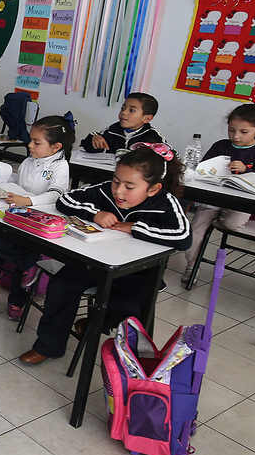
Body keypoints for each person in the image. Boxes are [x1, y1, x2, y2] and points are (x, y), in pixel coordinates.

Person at [19, 145, 191, 365]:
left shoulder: (165, 203)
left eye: (130, 186)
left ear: (153, 189)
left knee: (129, 309)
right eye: (116, 181)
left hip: (137, 274)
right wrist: (95, 213)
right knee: (60, 287)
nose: (119, 191)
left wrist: (135, 227)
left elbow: (183, 236)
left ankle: (94, 324)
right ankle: (48, 346)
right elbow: (65, 200)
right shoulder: (105, 191)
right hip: (94, 264)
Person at [0, 115, 75, 320]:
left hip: (40, 220)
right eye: (31, 139)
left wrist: (29, 201)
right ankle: (29, 262)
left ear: (56, 147)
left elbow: (56, 194)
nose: (29, 144)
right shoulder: (31, 160)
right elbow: (19, 182)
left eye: (36, 142)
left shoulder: (60, 166)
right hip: (18, 215)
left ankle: (17, 301)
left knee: (26, 251)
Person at [182, 103, 255, 285]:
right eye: (232, 130)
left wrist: (246, 170)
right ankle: (192, 265)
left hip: (241, 200)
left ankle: (223, 215)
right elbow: (203, 168)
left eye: (244, 132)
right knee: (194, 232)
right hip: (213, 197)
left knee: (232, 224)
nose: (236, 136)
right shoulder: (221, 146)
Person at [79, 92, 167, 153]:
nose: (124, 112)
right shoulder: (112, 131)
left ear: (147, 118)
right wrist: (94, 138)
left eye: (131, 110)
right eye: (123, 108)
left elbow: (170, 156)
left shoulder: (154, 137)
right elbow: (87, 147)